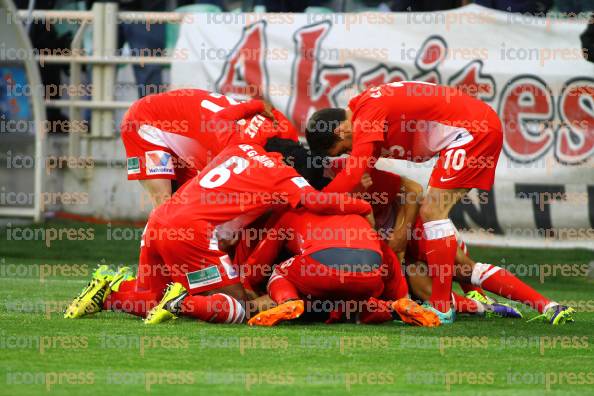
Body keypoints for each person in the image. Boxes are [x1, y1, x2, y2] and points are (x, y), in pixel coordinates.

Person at [64, 139, 373, 324]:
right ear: (291, 163)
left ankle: (108, 294)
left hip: (159, 220)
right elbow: (316, 201)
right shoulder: (283, 175)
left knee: (152, 297)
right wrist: (361, 206)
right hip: (192, 232)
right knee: (240, 308)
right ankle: (183, 299)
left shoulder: (236, 149)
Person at [305, 81, 503, 322]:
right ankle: (475, 299)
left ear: (341, 132)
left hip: (471, 130)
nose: (347, 154)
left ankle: (445, 306)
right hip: (470, 127)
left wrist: (312, 204)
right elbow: (358, 175)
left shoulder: (367, 114)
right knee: (434, 215)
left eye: (342, 150)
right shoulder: (366, 110)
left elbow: (355, 174)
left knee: (432, 212)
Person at [121, 89, 298, 208]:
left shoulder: (285, 128)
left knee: (189, 206)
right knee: (166, 205)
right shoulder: (239, 154)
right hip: (144, 121)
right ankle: (152, 261)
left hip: (190, 123)